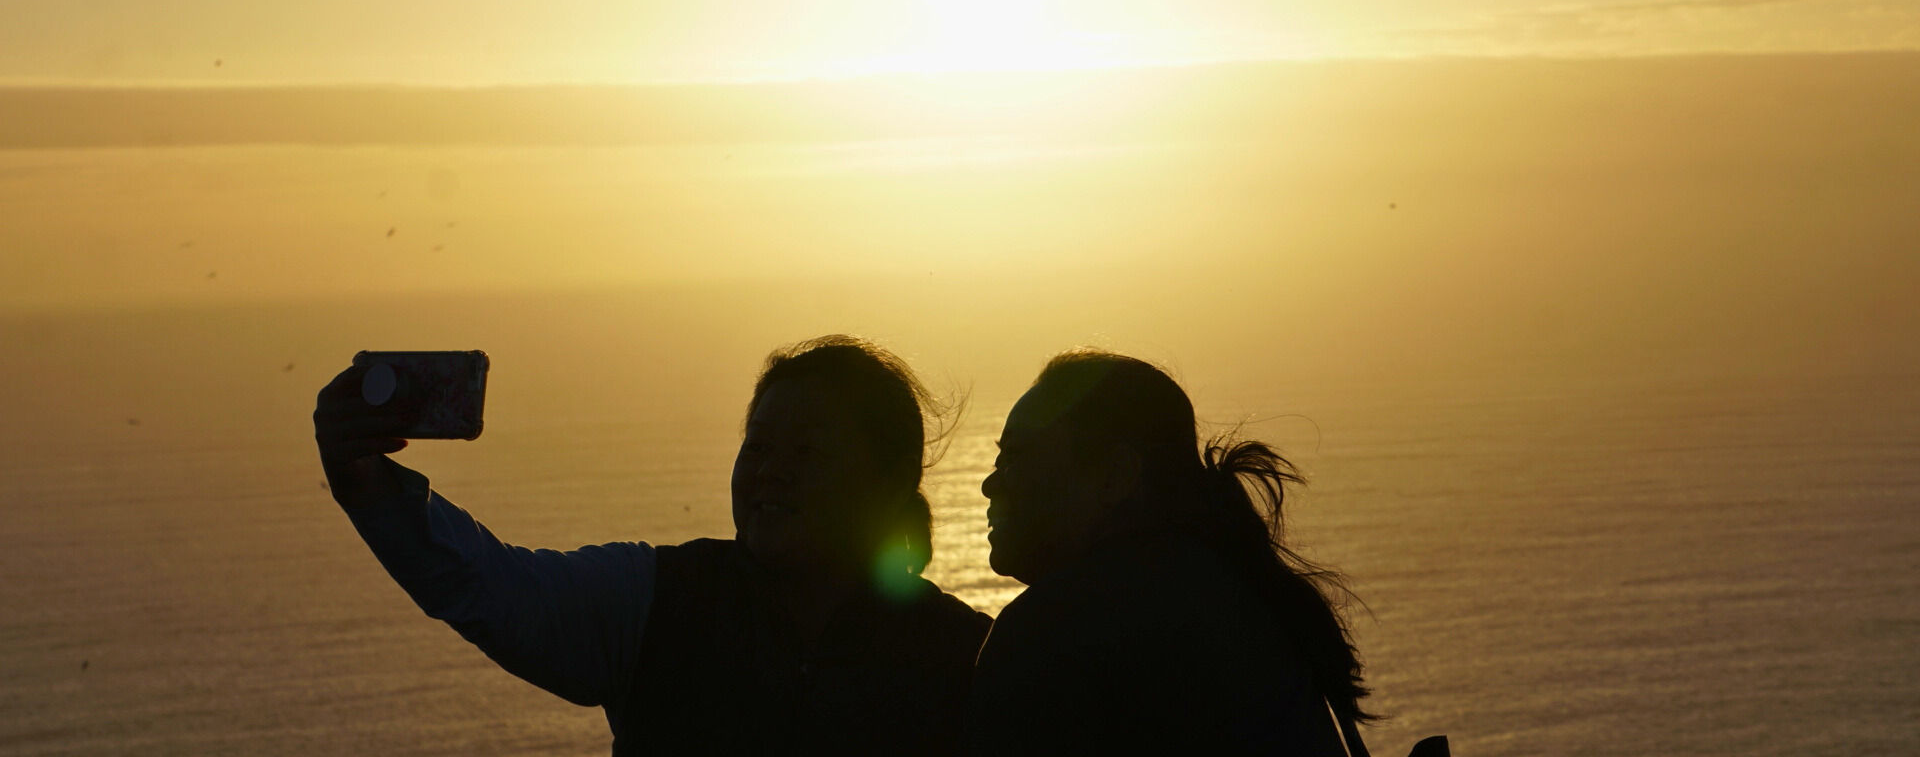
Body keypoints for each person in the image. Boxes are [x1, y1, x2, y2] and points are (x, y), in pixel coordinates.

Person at [315, 335, 990, 755]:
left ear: (894, 476)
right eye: (757, 445)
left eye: (806, 451)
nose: (769, 470)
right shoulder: (656, 599)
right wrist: (368, 487)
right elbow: (489, 587)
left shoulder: (975, 661)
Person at [967, 349, 1375, 756]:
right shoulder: (1246, 596)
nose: (989, 486)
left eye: (1013, 461)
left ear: (1115, 477)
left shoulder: (1050, 632)